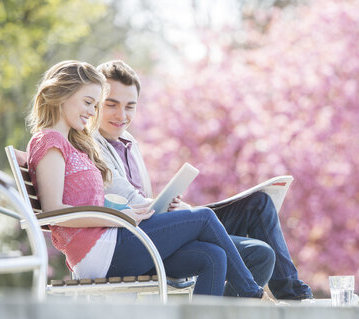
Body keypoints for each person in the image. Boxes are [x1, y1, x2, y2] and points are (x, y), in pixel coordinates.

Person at [26, 60, 266, 298]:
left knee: (213, 256)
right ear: (60, 95)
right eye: (88, 102)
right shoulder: (49, 142)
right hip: (101, 251)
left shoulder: (71, 144)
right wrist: (117, 218)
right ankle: (252, 294)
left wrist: (128, 211)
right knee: (204, 217)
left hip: (114, 242)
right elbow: (54, 211)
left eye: (95, 105)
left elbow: (75, 191)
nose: (91, 112)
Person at [94, 60, 313, 300]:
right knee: (246, 248)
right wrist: (179, 213)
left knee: (259, 209)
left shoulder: (129, 143)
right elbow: (127, 200)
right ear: (95, 103)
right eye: (111, 105)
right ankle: (272, 298)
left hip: (164, 228)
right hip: (139, 240)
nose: (122, 115)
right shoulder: (92, 146)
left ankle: (292, 296)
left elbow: (143, 199)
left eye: (130, 106)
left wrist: (173, 205)